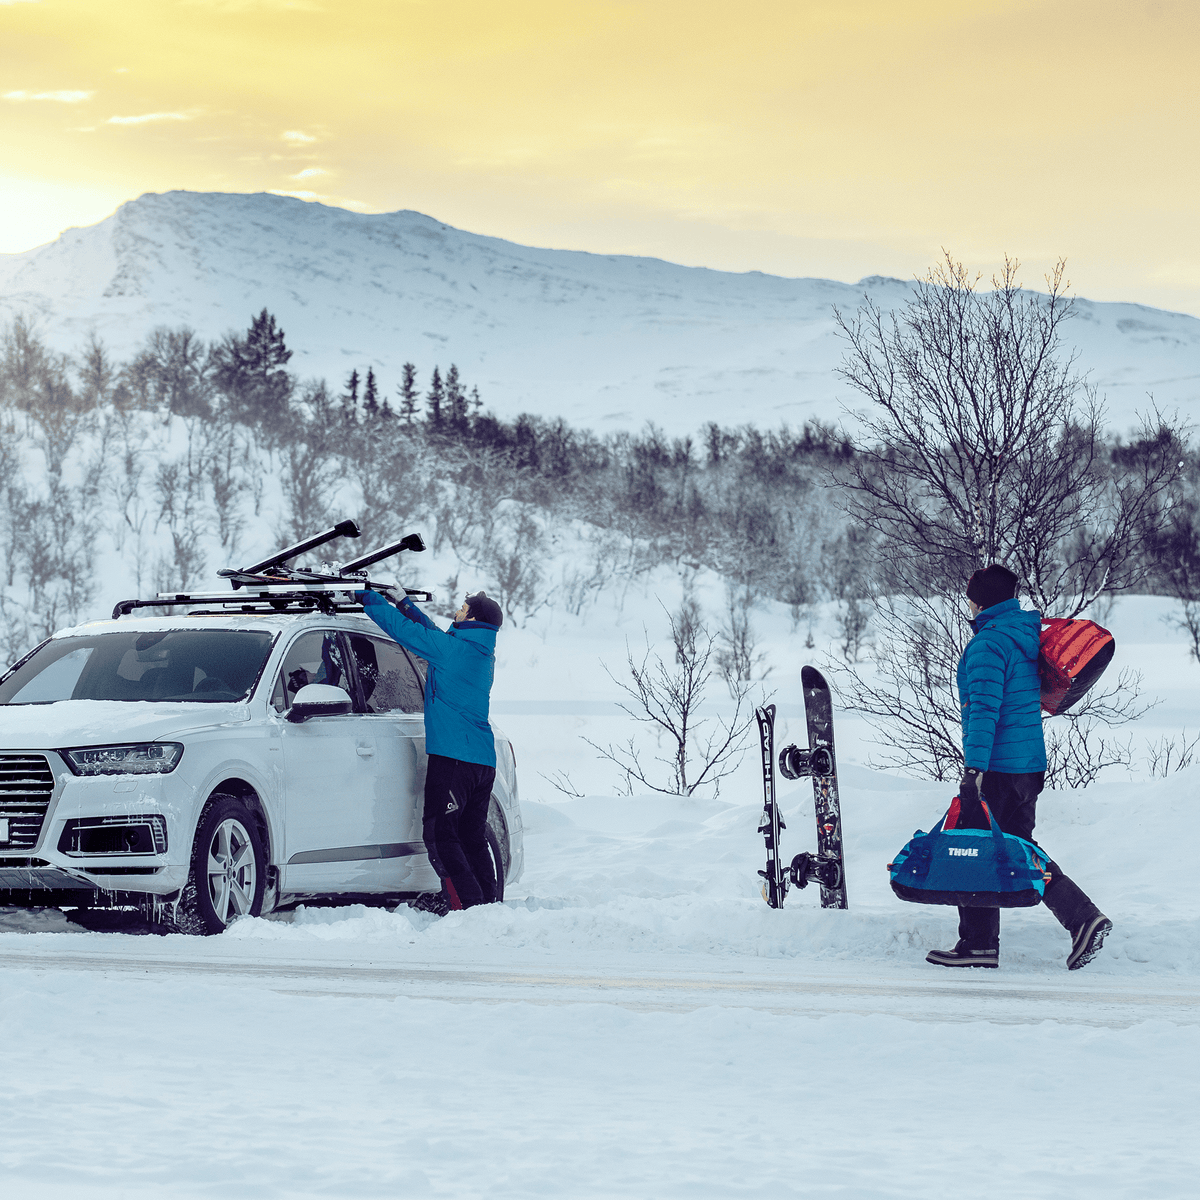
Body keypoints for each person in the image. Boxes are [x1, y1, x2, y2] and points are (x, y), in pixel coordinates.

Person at [926, 563, 1113, 970]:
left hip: (997, 768)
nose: (969, 606)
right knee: (1020, 849)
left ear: (981, 602)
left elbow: (984, 711)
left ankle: (978, 945)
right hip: (1027, 766)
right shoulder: (1025, 636)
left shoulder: (988, 644)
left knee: (972, 849)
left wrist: (973, 771)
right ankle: (1082, 919)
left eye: (971, 599)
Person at [357, 585, 503, 910]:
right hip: (481, 761)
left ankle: (464, 904)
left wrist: (366, 597)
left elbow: (406, 633)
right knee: (471, 836)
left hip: (454, 758)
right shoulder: (475, 651)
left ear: (473, 618)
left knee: (440, 833)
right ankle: (488, 905)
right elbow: (431, 634)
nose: (458, 610)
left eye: (463, 608)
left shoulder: (454, 652)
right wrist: (404, 603)